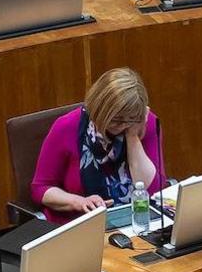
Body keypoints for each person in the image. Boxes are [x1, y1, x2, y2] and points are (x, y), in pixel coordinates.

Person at [31, 68, 166, 224]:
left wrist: (133, 136)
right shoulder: (67, 127)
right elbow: (40, 189)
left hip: (132, 221)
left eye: (130, 119)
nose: (122, 126)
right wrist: (79, 202)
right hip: (78, 223)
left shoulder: (143, 124)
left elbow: (153, 191)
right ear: (99, 108)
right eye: (116, 119)